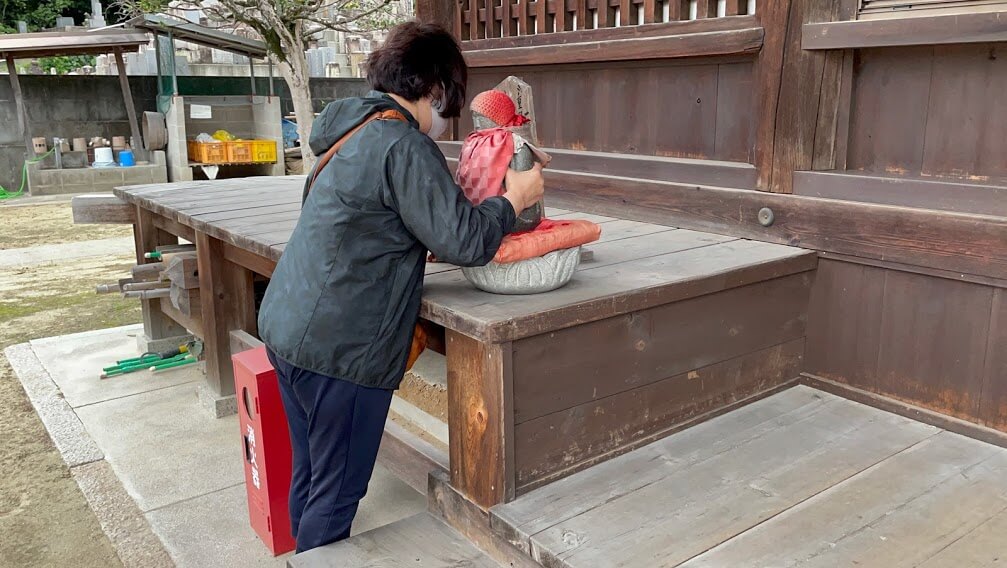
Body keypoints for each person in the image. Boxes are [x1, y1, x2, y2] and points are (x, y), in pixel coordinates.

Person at [256, 21, 545, 553]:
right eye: (448, 103)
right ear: (435, 89)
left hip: (287, 328)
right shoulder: (402, 145)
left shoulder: (349, 132)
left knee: (312, 474)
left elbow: (377, 223)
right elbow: (464, 239)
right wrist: (516, 199)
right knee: (338, 494)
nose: (446, 118)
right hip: (337, 350)